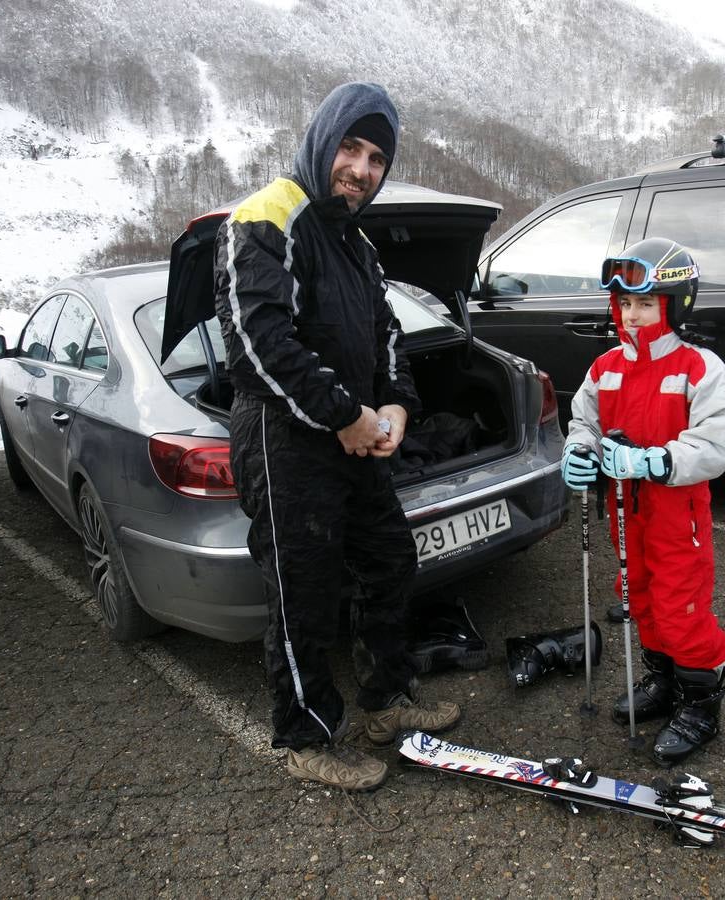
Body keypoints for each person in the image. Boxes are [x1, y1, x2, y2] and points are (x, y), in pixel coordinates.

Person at [215, 82, 460, 792]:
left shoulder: (355, 243)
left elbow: (386, 335)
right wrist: (347, 417)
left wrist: (396, 409)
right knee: (304, 596)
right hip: (283, 444)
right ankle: (306, 736)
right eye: (350, 148)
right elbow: (260, 344)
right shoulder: (268, 215)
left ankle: (387, 699)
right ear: (323, 139)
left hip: (351, 440)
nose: (361, 168)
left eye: (377, 158)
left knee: (389, 563)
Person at [560, 238, 725, 766]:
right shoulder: (606, 367)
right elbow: (585, 421)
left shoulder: (697, 367)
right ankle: (663, 681)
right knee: (638, 595)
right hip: (625, 512)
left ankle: (701, 705)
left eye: (646, 304)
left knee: (679, 606)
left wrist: (657, 461)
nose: (634, 315)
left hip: (675, 514)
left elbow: (719, 437)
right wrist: (579, 451)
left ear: (674, 303)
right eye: (624, 305)